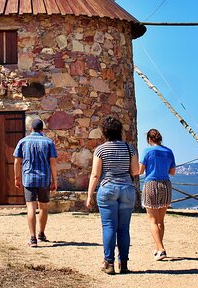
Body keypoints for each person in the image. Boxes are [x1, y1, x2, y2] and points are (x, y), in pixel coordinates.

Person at [86, 115, 139, 275]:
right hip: (127, 189)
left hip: (108, 187)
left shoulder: (101, 149)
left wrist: (89, 195)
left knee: (109, 226)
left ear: (105, 132)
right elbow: (135, 171)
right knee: (124, 228)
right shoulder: (130, 148)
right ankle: (123, 263)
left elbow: (95, 174)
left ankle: (109, 263)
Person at [13, 117, 58, 248]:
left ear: (31, 128)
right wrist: (55, 180)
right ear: (42, 129)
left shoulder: (23, 141)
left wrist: (17, 178)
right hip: (44, 179)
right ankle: (41, 234)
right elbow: (53, 163)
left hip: (28, 179)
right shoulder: (48, 142)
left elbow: (17, 161)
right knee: (43, 207)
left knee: (31, 208)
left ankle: (32, 238)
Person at [139, 128, 176, 261]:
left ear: (149, 139)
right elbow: (172, 172)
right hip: (166, 185)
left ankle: (161, 249)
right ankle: (157, 247)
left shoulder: (147, 151)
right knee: (160, 221)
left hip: (151, 184)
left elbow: (140, 170)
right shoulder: (168, 151)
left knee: (152, 221)